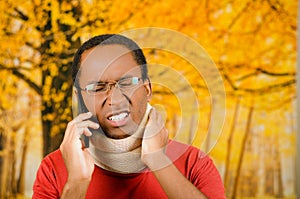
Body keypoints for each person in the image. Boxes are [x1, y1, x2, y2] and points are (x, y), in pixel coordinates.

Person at [32, 34, 226, 199]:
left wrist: (157, 160)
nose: (114, 99)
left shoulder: (194, 163)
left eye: (126, 82)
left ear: (147, 88)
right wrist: (77, 183)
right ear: (79, 96)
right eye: (97, 87)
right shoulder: (53, 168)